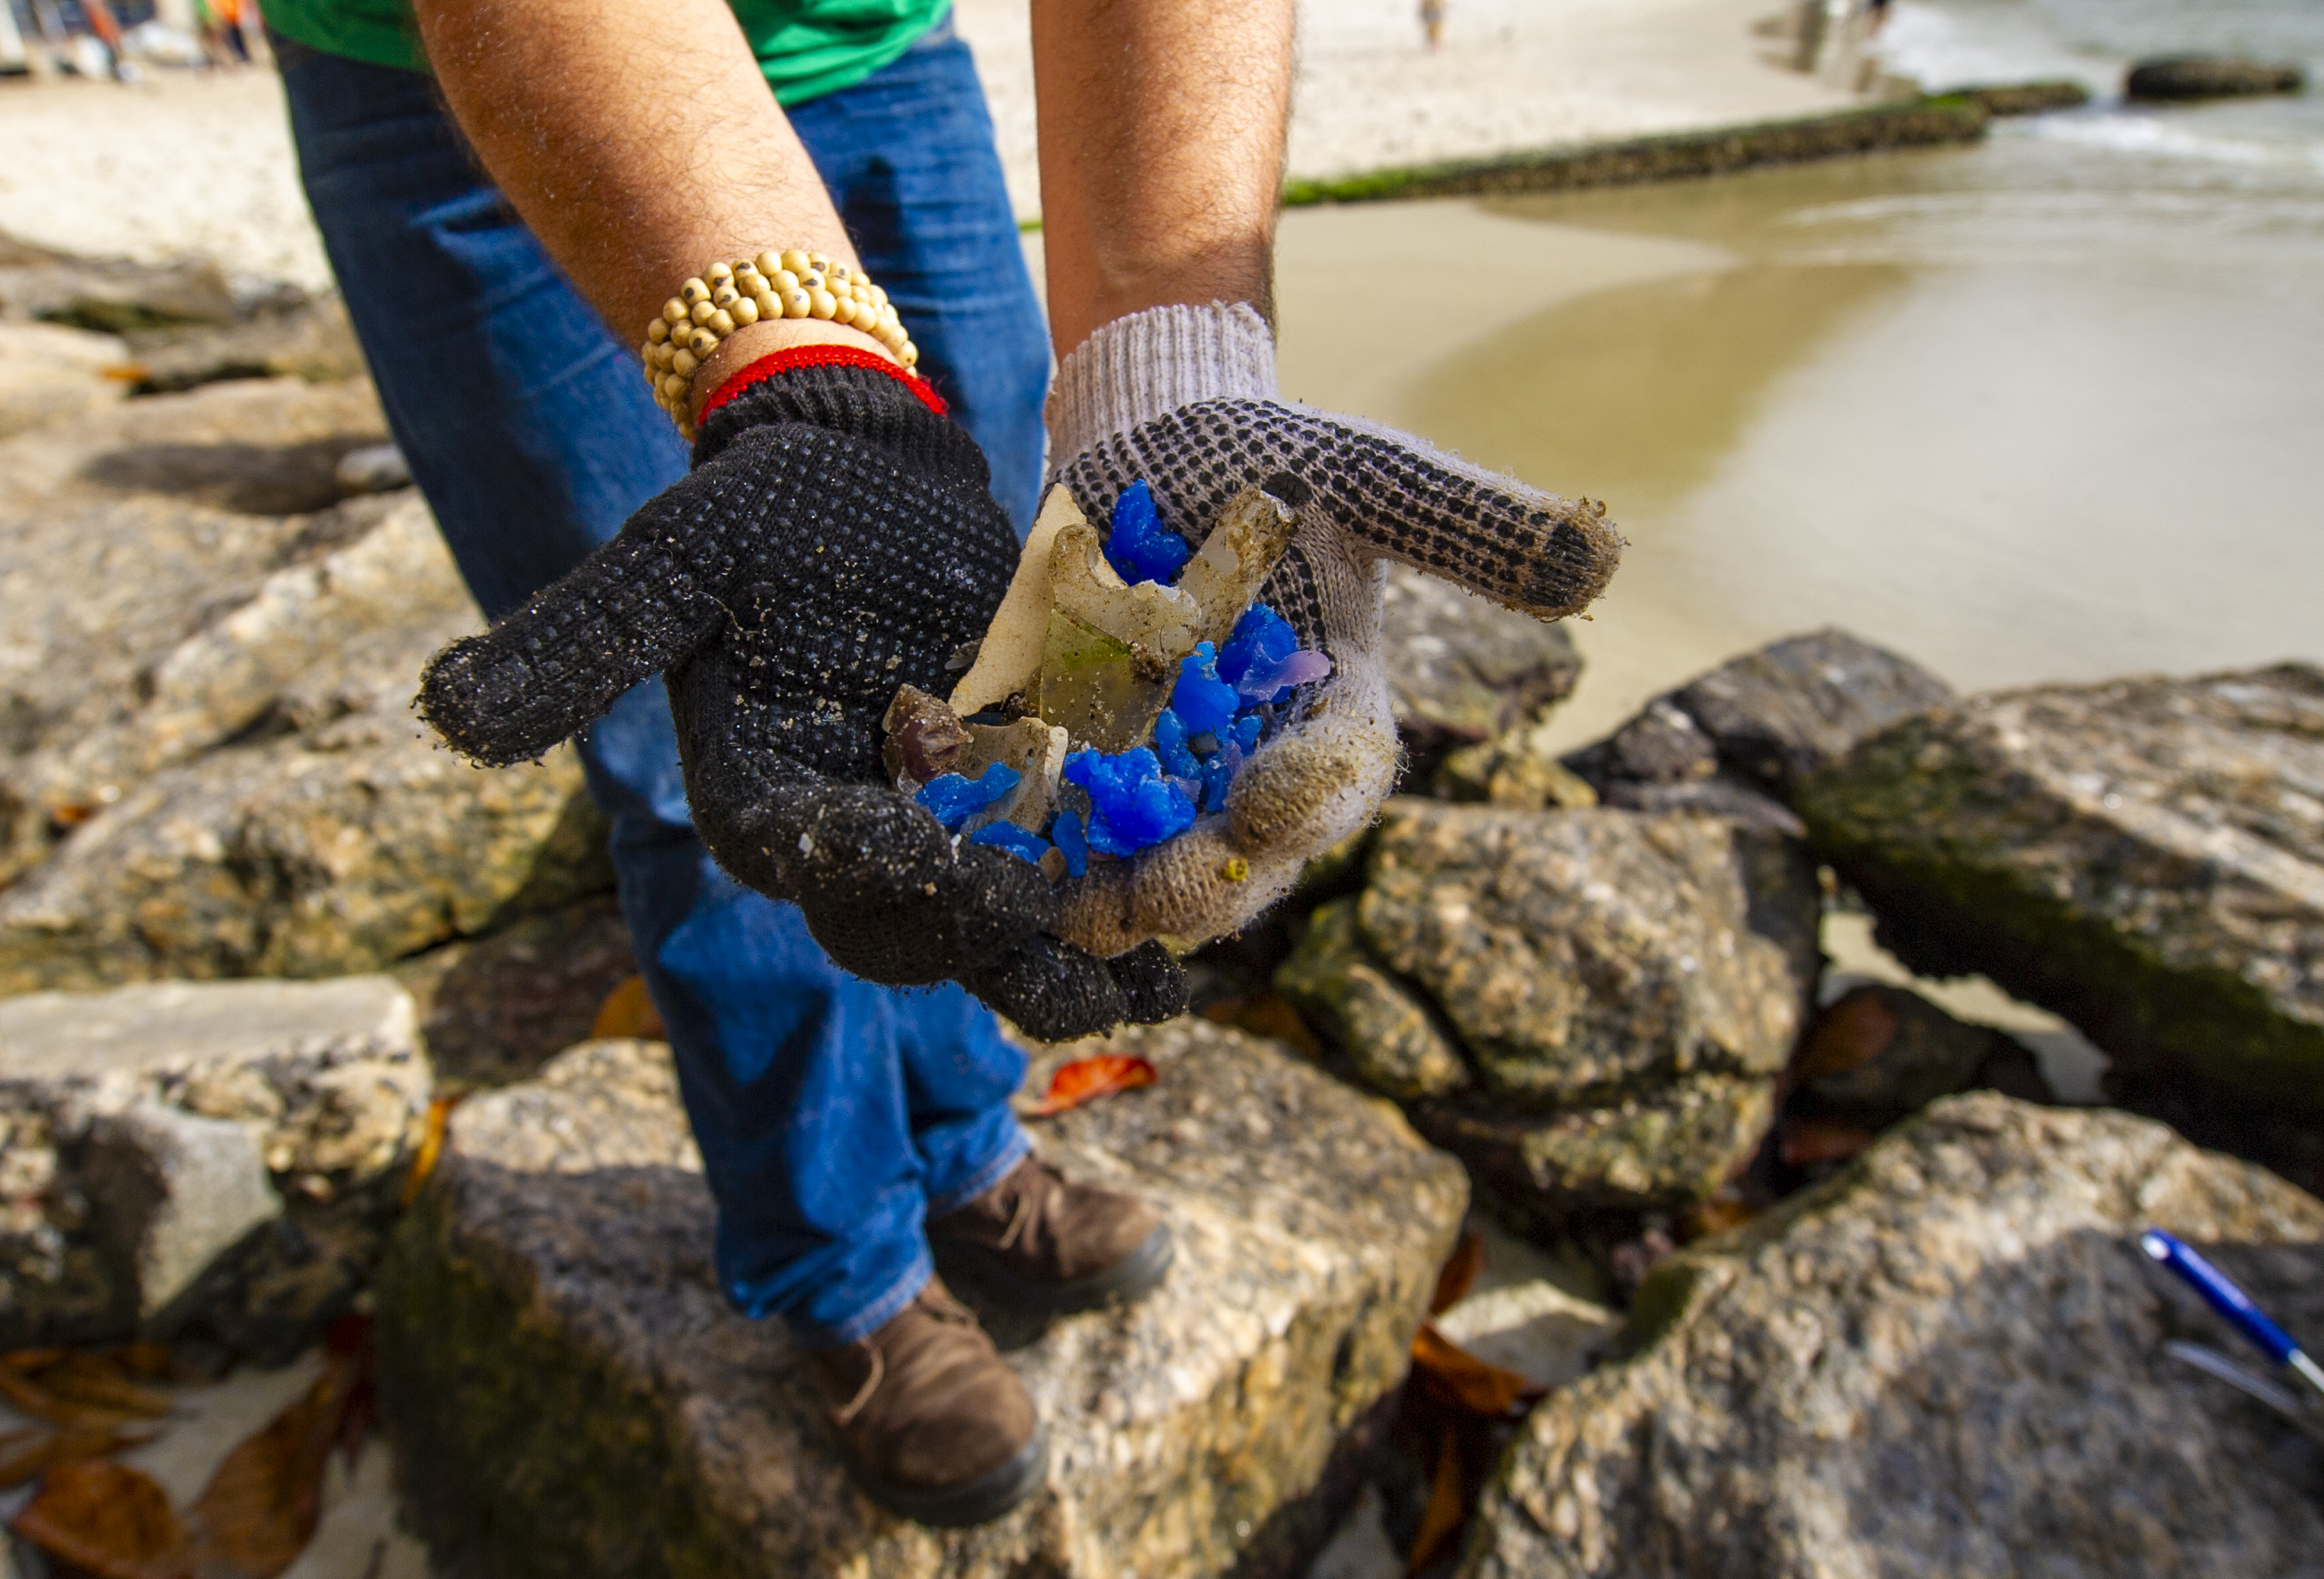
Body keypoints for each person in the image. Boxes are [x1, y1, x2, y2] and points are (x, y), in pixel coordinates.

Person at [261, 0, 1617, 1530]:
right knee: (726, 736)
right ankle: (839, 1267)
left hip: (869, 51)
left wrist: (1166, 367)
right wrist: (796, 375)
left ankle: (966, 1150)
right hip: (475, 79)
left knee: (993, 654)